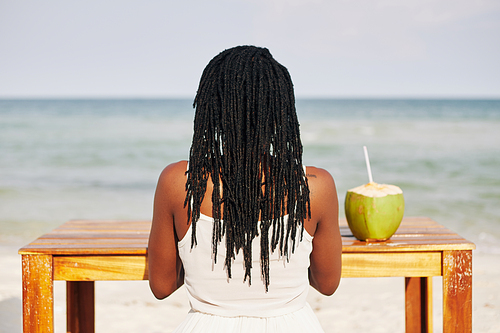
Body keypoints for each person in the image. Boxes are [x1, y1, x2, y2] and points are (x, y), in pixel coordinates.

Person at [148, 45, 342, 333]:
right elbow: (327, 283)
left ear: (211, 108)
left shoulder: (179, 182)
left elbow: (162, 286)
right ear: (280, 111)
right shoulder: (315, 186)